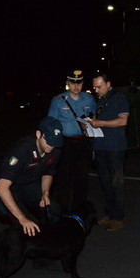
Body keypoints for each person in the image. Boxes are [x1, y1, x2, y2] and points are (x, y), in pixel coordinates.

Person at [0, 116, 64, 237]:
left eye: (55, 143)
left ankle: (46, 241)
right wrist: (22, 219)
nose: (51, 146)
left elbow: (48, 173)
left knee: (53, 210)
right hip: (10, 188)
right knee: (24, 225)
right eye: (48, 141)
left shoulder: (55, 149)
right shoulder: (22, 150)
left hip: (29, 185)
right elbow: (2, 187)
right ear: (38, 134)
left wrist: (45, 192)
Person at [47, 69, 95, 214]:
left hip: (82, 143)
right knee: (64, 179)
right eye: (73, 82)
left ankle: (78, 212)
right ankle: (63, 212)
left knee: (82, 179)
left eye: (79, 82)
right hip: (65, 144)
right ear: (67, 83)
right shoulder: (58, 101)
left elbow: (93, 118)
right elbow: (51, 123)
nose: (76, 86)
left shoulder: (89, 99)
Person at [90, 73, 129, 231]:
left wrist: (102, 123)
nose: (96, 90)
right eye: (94, 87)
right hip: (100, 147)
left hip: (115, 148)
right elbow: (96, 121)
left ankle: (118, 218)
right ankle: (109, 213)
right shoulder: (100, 101)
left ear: (108, 84)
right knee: (105, 183)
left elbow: (123, 121)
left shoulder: (119, 99)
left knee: (116, 183)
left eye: (99, 87)